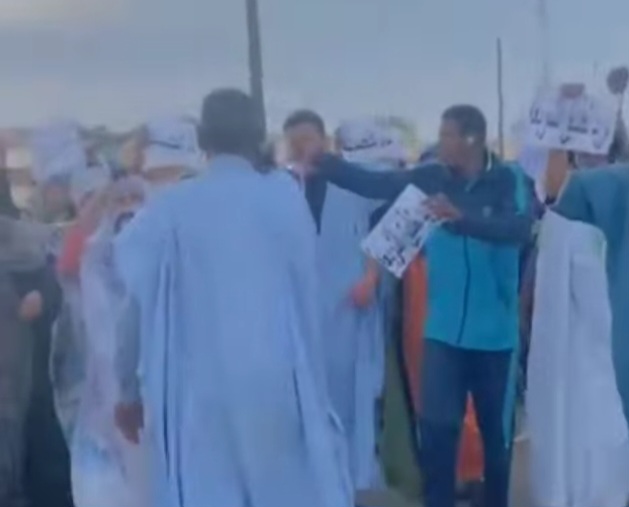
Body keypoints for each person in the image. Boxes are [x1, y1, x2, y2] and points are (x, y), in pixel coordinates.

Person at [113, 89, 351, 507]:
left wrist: (126, 391)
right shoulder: (285, 200)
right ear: (258, 136)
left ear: (203, 139)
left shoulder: (169, 211)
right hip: (277, 384)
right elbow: (308, 301)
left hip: (197, 394)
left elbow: (131, 306)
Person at [299, 105, 533, 507]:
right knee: (437, 429)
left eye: (448, 135)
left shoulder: (509, 178)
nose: (441, 143)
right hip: (442, 332)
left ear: (472, 139)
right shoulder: (431, 177)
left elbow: (518, 228)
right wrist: (326, 162)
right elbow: (378, 184)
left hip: (494, 334)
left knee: (495, 437)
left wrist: (459, 218)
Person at [284, 111, 386, 490]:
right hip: (301, 311)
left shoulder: (352, 180)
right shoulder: (282, 190)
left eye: (307, 139)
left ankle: (353, 477)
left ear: (324, 141)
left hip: (349, 301)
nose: (301, 147)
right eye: (294, 141)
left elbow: (386, 228)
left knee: (349, 395)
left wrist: (372, 277)